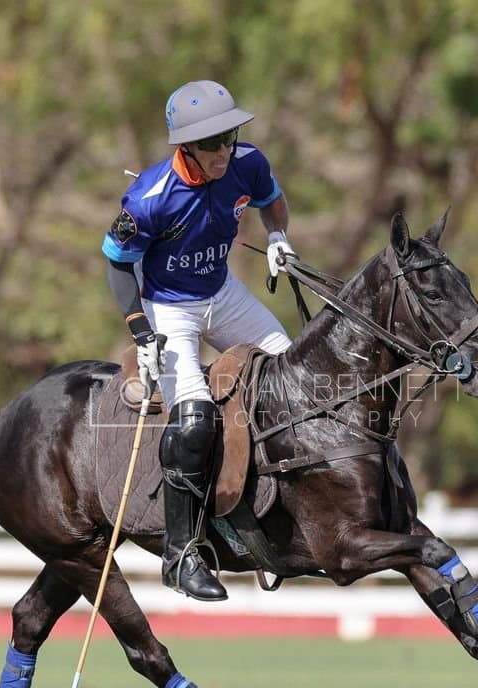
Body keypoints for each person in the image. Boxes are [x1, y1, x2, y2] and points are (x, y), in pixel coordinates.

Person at [101, 80, 297, 602]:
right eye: (212, 143)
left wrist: (278, 237)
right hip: (169, 308)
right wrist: (138, 326)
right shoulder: (148, 198)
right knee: (194, 419)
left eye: (229, 137)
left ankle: (280, 508)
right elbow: (118, 263)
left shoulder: (246, 163)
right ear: (184, 146)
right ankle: (181, 553)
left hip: (224, 294)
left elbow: (272, 202)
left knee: (293, 375)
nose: (224, 151)